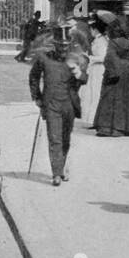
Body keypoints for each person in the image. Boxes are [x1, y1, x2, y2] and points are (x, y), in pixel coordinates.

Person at [29, 22, 85, 185]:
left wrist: (79, 74)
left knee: (65, 139)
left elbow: (85, 79)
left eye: (66, 46)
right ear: (54, 45)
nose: (63, 50)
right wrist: (37, 97)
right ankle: (56, 174)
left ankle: (60, 166)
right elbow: (33, 77)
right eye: (60, 46)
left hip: (69, 105)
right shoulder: (43, 58)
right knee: (55, 138)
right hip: (51, 104)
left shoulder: (76, 58)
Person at [94, 19, 129, 136]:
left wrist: (113, 72)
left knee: (112, 98)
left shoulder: (113, 43)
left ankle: (111, 128)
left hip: (117, 71)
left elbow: (110, 58)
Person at [80, 12, 109, 128]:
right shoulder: (97, 40)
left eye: (92, 29)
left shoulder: (102, 41)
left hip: (99, 69)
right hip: (94, 70)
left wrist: (89, 57)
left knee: (96, 94)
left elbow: (103, 57)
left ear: (96, 29)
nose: (90, 32)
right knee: (91, 94)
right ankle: (92, 119)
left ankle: (96, 119)